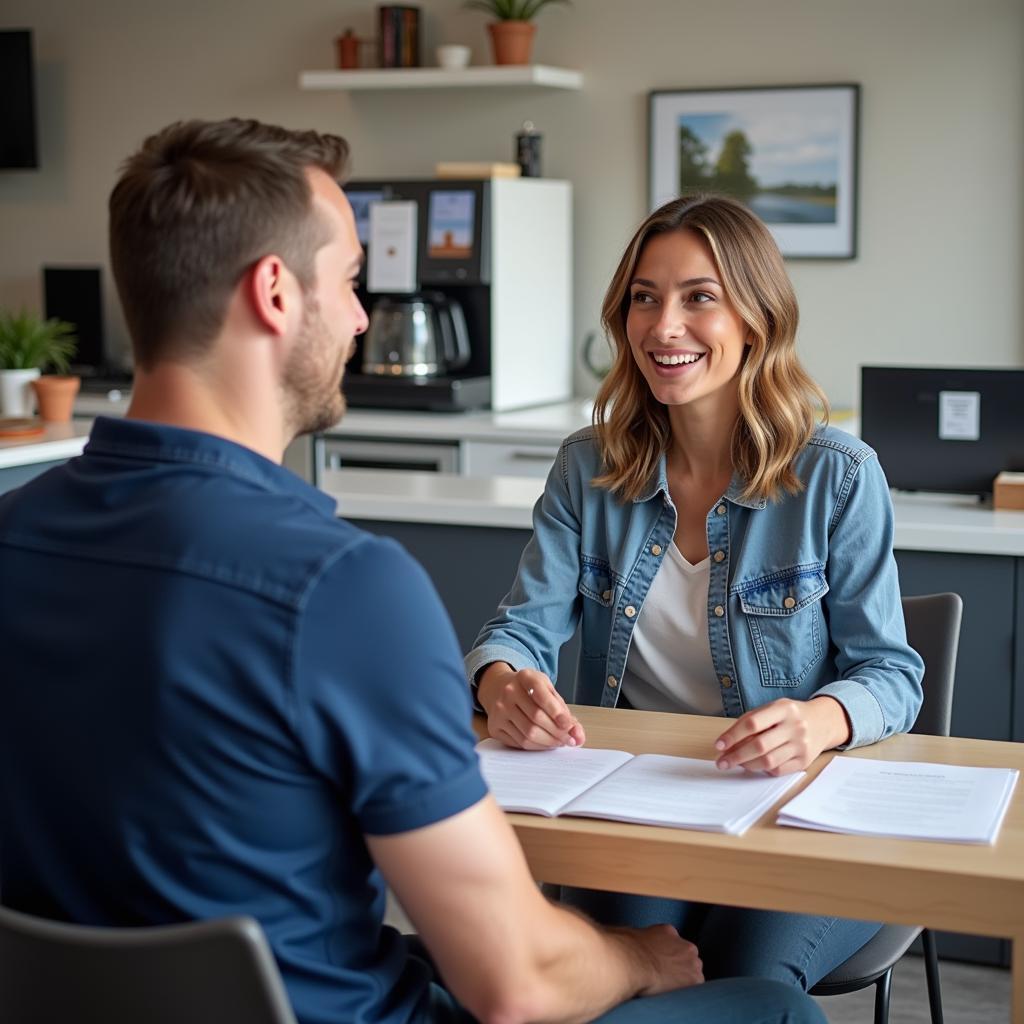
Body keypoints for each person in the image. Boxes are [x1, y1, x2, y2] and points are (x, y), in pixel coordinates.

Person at [0, 120, 826, 1024]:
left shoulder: (18, 529)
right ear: (275, 293)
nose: (362, 315)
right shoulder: (341, 590)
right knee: (775, 1011)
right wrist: (634, 959)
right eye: (351, 281)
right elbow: (515, 983)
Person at [466, 193, 925, 991]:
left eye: (698, 298)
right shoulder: (588, 468)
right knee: (623, 968)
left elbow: (893, 675)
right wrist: (500, 681)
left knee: (750, 983)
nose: (663, 326)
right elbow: (518, 631)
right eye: (644, 298)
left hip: (795, 813)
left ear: (755, 318)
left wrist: (818, 720)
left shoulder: (838, 476)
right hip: (642, 807)